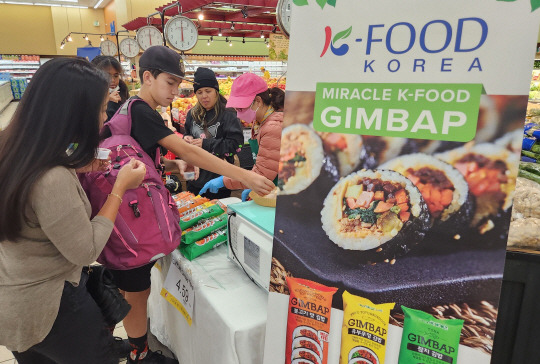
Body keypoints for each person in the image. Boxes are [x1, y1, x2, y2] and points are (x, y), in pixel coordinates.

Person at [95, 45, 274, 364]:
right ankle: (141, 352)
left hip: (123, 212)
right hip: (130, 216)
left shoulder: (130, 109)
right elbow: (189, 151)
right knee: (136, 289)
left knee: (129, 285)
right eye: (170, 83)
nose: (176, 91)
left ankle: (127, 343)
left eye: (180, 84)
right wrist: (244, 176)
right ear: (147, 77)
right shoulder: (139, 110)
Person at [0, 58, 146, 364]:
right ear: (74, 112)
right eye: (101, 108)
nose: (104, 118)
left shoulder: (13, 149)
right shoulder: (51, 178)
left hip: (12, 303)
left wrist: (75, 165)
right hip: (52, 310)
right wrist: (120, 187)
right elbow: (85, 250)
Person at [200, 73, 284, 200]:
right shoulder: (259, 122)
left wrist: (225, 181)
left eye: (241, 109)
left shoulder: (273, 128)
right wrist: (252, 186)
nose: (238, 115)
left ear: (258, 101)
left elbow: (262, 176)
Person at [183, 67, 244, 199]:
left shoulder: (228, 114)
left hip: (217, 181)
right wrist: (186, 138)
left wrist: (205, 144)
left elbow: (236, 144)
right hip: (194, 178)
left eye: (208, 91)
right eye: (199, 92)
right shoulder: (192, 114)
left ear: (216, 91)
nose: (204, 96)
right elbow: (187, 132)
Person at [92, 55, 130, 122]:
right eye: (107, 76)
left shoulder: (122, 90)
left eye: (116, 75)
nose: (112, 80)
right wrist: (107, 101)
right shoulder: (90, 97)